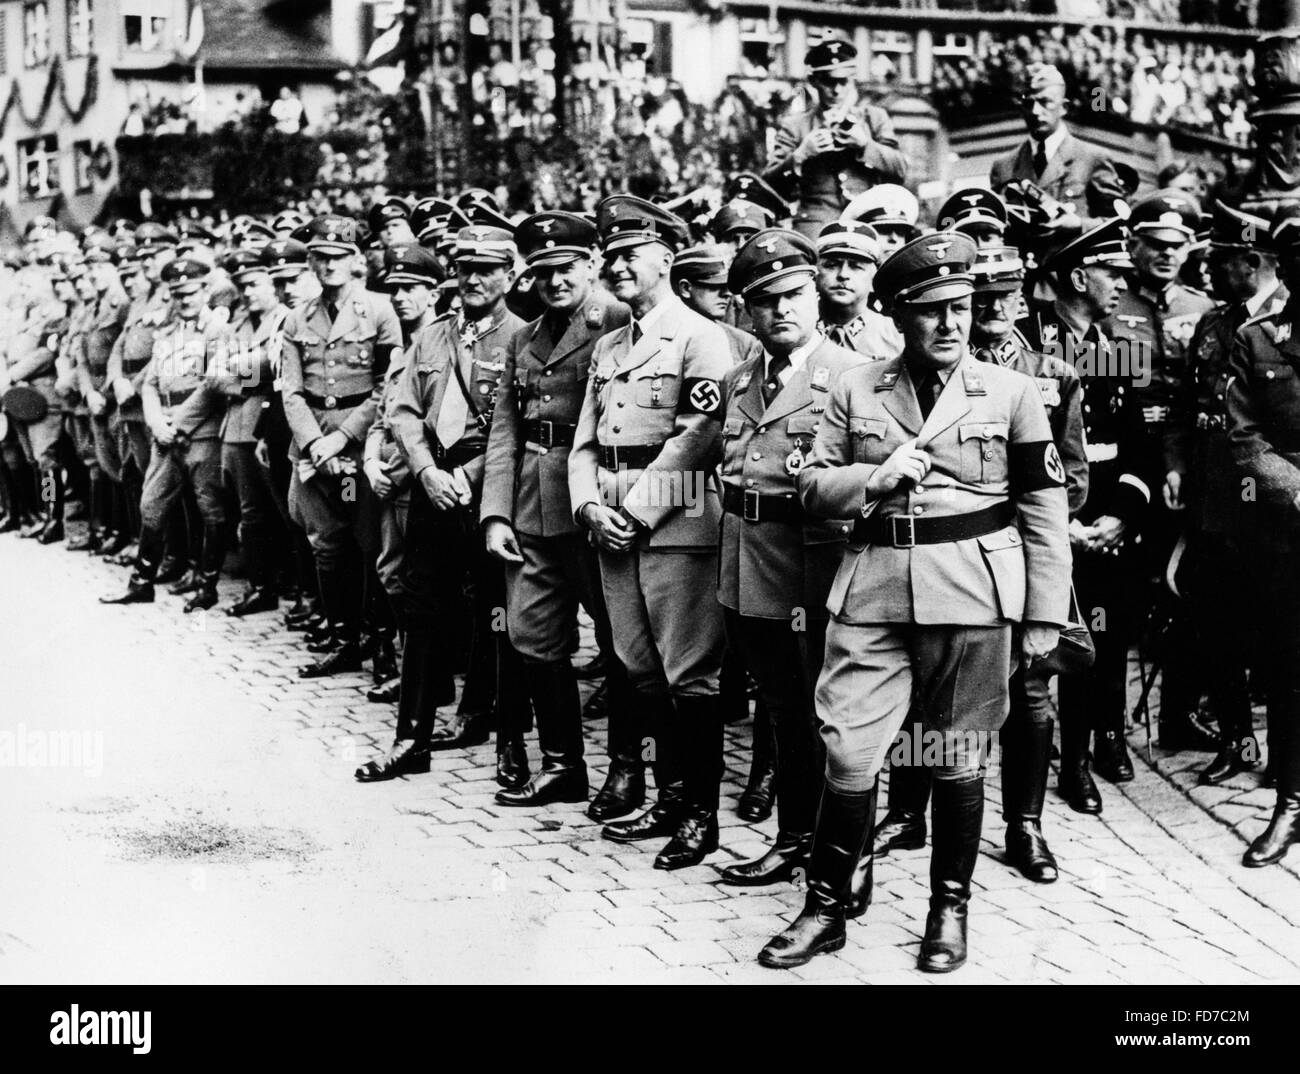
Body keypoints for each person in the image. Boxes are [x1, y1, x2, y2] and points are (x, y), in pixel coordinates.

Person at [758, 231, 1070, 971]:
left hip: (974, 593)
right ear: (898, 316)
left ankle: (948, 909)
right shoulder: (855, 387)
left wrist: (1044, 619)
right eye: (932, 311)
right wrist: (875, 477)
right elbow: (808, 486)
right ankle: (827, 906)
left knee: (957, 757)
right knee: (849, 748)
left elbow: (1044, 509)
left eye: (961, 307)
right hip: (871, 590)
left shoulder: (1012, 392)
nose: (952, 324)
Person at [874, 244, 1088, 884]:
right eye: (980, 298)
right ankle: (909, 810)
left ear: (1021, 299)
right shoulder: (902, 373)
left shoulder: (1045, 378)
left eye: (999, 297)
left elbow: (1064, 480)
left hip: (1011, 562)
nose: (988, 311)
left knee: (1028, 690)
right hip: (943, 566)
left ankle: (1024, 825)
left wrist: (1037, 584)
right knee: (921, 687)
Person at [568, 195, 730, 870]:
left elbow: (701, 436)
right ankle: (666, 797)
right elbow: (582, 441)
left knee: (690, 675)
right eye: (610, 255)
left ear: (666, 257)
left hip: (674, 520)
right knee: (639, 668)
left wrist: (632, 513)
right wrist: (586, 508)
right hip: (611, 520)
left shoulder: (700, 336)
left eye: (631, 253)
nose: (619, 265)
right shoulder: (609, 345)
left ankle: (701, 814)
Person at [714, 228, 864, 889]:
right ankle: (795, 837)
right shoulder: (739, 375)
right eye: (765, 300)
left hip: (815, 564)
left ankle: (844, 856)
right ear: (747, 310)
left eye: (795, 294)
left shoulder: (852, 378)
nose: (783, 309)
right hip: (748, 561)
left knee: (831, 714)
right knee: (781, 710)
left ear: (814, 294)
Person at [358, 223, 529, 784]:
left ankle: (503, 732)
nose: (474, 279)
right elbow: (404, 409)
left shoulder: (523, 338)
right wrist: (427, 470)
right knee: (422, 605)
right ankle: (412, 739)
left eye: (487, 270)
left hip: (491, 489)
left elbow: (519, 430)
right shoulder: (432, 336)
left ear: (510, 274)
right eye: (464, 269)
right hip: (434, 485)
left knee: (498, 611)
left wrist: (467, 475)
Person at [479, 211, 632, 808]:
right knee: (533, 634)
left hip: (593, 501)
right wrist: (495, 513)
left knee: (619, 641)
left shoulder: (619, 321)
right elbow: (505, 431)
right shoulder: (523, 336)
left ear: (591, 264)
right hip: (532, 506)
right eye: (543, 272)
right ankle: (563, 764)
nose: (556, 281)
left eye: (566, 268)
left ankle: (626, 767)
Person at [1020, 217, 1150, 815]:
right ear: (1077, 277)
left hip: (1107, 531)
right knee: (1049, 649)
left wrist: (1122, 516)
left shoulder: (1119, 349)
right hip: (1049, 527)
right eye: (1111, 273)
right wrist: (1063, 524)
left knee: (1105, 638)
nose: (1122, 284)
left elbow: (1136, 445)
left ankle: (1086, 755)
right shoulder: (1029, 351)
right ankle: (1048, 770)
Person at [1167, 200, 1282, 787]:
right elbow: (1188, 408)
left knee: (1279, 627)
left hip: (1275, 505)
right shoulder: (1212, 324)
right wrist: (1176, 465)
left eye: (1218, 259)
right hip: (1216, 499)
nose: (1206, 269)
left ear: (1251, 261)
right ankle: (1237, 737)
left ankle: (1285, 759)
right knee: (1219, 620)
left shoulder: (1287, 320)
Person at [1102, 188, 1218, 755]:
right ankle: (1108, 725)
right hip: (1128, 464)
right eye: (1155, 245)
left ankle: (1179, 714)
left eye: (1177, 246)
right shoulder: (1112, 305)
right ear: (1133, 245)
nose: (1167, 255)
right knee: (1120, 598)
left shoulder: (1200, 308)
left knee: (1189, 590)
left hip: (1184, 469)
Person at [278, 215, 402, 678]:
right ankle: (344, 638)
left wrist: (341, 438)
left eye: (338, 257)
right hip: (314, 454)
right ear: (310, 262)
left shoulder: (380, 310)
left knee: (369, 544)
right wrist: (313, 442)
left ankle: (382, 642)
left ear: (355, 261)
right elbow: (290, 390)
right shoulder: (297, 318)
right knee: (326, 545)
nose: (329, 265)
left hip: (357, 451)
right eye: (320, 258)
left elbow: (386, 387)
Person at [1225, 206, 1300, 867]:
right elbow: (1243, 436)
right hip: (1286, 529)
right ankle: (1292, 800)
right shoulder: (1256, 340)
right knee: (1287, 660)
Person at [99, 257, 229, 611]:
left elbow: (214, 384)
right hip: (164, 430)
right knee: (151, 504)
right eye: (177, 294)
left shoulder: (217, 331)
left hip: (201, 430)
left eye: (190, 293)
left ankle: (207, 584)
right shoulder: (168, 333)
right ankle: (141, 582)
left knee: (209, 507)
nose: (184, 301)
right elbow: (152, 382)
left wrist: (178, 424)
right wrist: (156, 421)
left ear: (205, 290)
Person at [363, 243, 444, 705]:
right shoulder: (400, 352)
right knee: (391, 573)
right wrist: (372, 462)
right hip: (390, 478)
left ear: (433, 293)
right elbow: (383, 416)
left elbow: (431, 425)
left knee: (416, 582)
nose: (400, 298)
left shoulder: (441, 344)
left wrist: (391, 469)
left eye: (411, 289)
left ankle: (428, 678)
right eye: (394, 289)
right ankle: (417, 671)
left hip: (417, 480)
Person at [764, 39, 907, 238]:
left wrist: (865, 145)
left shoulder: (874, 118)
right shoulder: (795, 126)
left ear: (853, 80)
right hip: (816, 226)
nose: (837, 90)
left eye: (843, 82)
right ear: (814, 81)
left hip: (867, 220)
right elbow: (769, 185)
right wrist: (800, 155)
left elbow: (900, 170)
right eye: (828, 82)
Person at [990, 63, 1120, 238]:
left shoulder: (1093, 158)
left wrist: (1079, 224)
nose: (1036, 111)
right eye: (1028, 103)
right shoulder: (1004, 167)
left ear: (1064, 107)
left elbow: (1119, 225)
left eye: (1045, 102)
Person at [814, 220, 902, 358]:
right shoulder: (799, 331)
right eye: (831, 265)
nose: (843, 275)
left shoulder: (897, 336)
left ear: (874, 279)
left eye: (856, 267)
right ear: (815, 274)